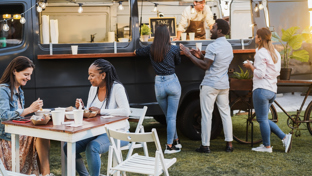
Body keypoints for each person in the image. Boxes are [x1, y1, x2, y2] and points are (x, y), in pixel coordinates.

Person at [63, 58, 131, 176]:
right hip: (96, 131)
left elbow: (126, 112)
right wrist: (82, 108)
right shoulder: (93, 88)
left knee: (92, 147)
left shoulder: (117, 88)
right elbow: (91, 110)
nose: (89, 78)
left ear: (103, 75)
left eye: (92, 75)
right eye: (89, 75)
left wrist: (101, 111)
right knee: (68, 147)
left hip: (118, 133)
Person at [180, 19, 233, 153]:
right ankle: (229, 144)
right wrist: (200, 55)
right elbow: (213, 63)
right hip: (223, 85)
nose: (211, 29)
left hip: (210, 85)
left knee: (206, 114)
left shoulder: (213, 46)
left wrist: (189, 55)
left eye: (213, 27)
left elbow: (205, 66)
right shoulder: (228, 46)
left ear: (219, 30)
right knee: (225, 114)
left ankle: (205, 145)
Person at [0, 56, 52, 176]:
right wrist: (29, 110)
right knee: (41, 135)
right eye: (26, 74)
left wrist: (36, 115)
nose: (28, 78)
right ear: (14, 71)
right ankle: (46, 174)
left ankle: (45, 173)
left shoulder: (20, 91)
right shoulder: (3, 90)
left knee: (43, 133)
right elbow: (3, 116)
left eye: (30, 75)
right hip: (8, 137)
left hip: (19, 133)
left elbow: (20, 117)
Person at [134, 24, 182, 154]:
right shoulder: (174, 49)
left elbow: (136, 52)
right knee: (171, 117)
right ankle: (169, 146)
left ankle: (176, 140)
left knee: (168, 116)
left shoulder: (151, 49)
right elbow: (178, 62)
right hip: (172, 82)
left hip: (159, 84)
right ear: (167, 35)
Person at [243, 28, 292, 153]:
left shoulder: (260, 53)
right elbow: (275, 71)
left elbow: (259, 74)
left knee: (262, 119)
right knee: (264, 118)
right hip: (272, 90)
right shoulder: (275, 52)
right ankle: (285, 138)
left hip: (261, 90)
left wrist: (250, 65)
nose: (255, 38)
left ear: (260, 38)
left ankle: (267, 146)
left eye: (256, 36)